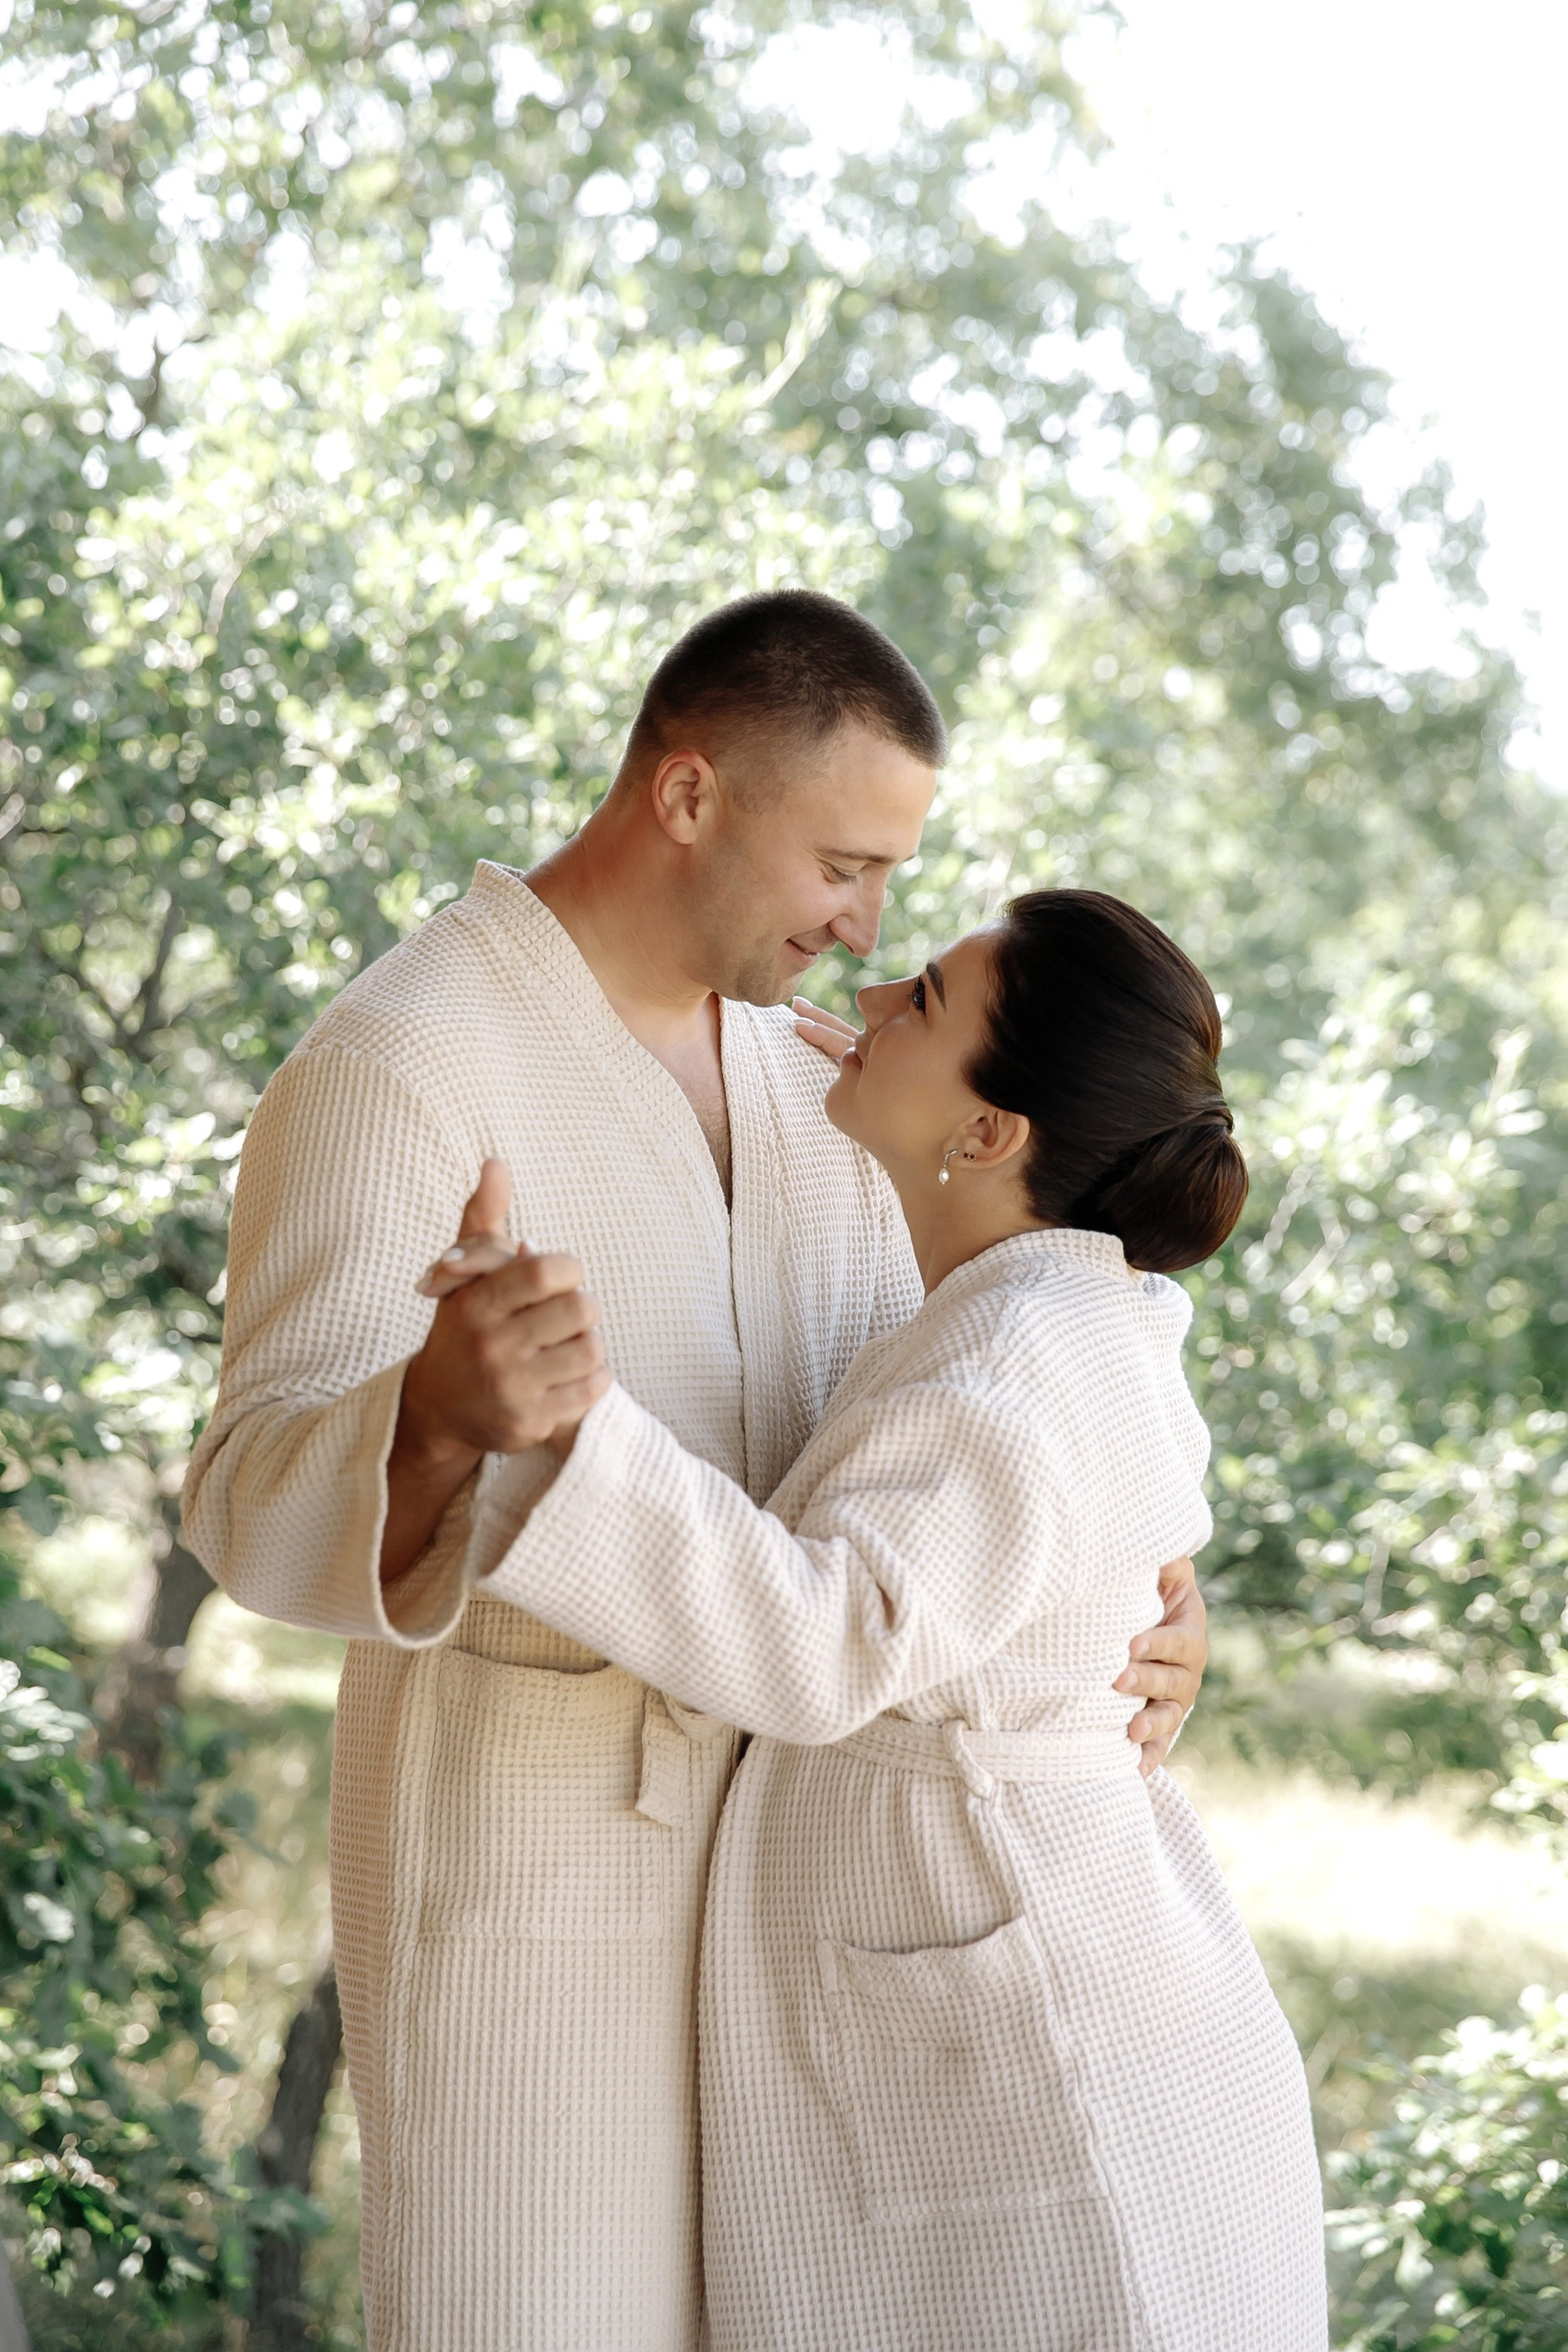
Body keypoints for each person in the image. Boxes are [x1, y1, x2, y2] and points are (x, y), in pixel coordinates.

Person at [183, 595, 1208, 2352]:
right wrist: (427, 1420)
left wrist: (1139, 1613)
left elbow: (982, 1430)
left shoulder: (829, 1083)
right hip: (534, 1903)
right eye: (841, 863)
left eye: (893, 880)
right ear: (685, 797)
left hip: (815, 1944)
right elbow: (241, 1504)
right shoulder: (400, 1064)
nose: (866, 929)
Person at [460, 890, 1328, 2352]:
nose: (861, 1001)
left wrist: (567, 1427)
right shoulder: (1073, 1302)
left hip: (1039, 2073)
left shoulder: (1004, 1370)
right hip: (1077, 1988)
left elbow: (821, 1646)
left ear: (988, 1137)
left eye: (918, 1000)